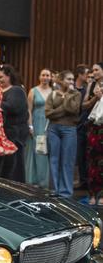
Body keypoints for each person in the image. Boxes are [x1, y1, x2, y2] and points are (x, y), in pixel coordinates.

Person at [45, 70, 81, 198]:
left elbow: (73, 109)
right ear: (61, 80)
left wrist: (67, 97)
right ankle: (54, 190)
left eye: (72, 79)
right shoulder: (53, 94)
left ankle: (65, 192)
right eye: (69, 79)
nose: (71, 82)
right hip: (53, 128)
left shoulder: (76, 94)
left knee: (67, 161)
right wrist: (63, 109)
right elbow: (48, 113)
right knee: (54, 160)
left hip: (69, 129)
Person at [0, 64, 28, 182]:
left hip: (14, 134)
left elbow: (13, 107)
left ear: (9, 76)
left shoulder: (16, 90)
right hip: (2, 134)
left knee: (13, 166)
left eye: (1, 77)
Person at [25, 68, 52, 188]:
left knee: (46, 152)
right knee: (35, 151)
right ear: (39, 77)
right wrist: (30, 125)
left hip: (49, 124)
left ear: (51, 77)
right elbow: (29, 110)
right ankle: (32, 180)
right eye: (43, 75)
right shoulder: (33, 91)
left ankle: (44, 181)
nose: (45, 77)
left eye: (47, 75)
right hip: (36, 123)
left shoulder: (53, 91)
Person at [86, 70, 103, 205]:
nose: (94, 72)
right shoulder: (91, 86)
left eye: (97, 69)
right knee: (92, 161)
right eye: (93, 70)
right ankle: (92, 194)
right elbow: (84, 105)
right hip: (94, 127)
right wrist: (96, 97)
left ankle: (102, 195)